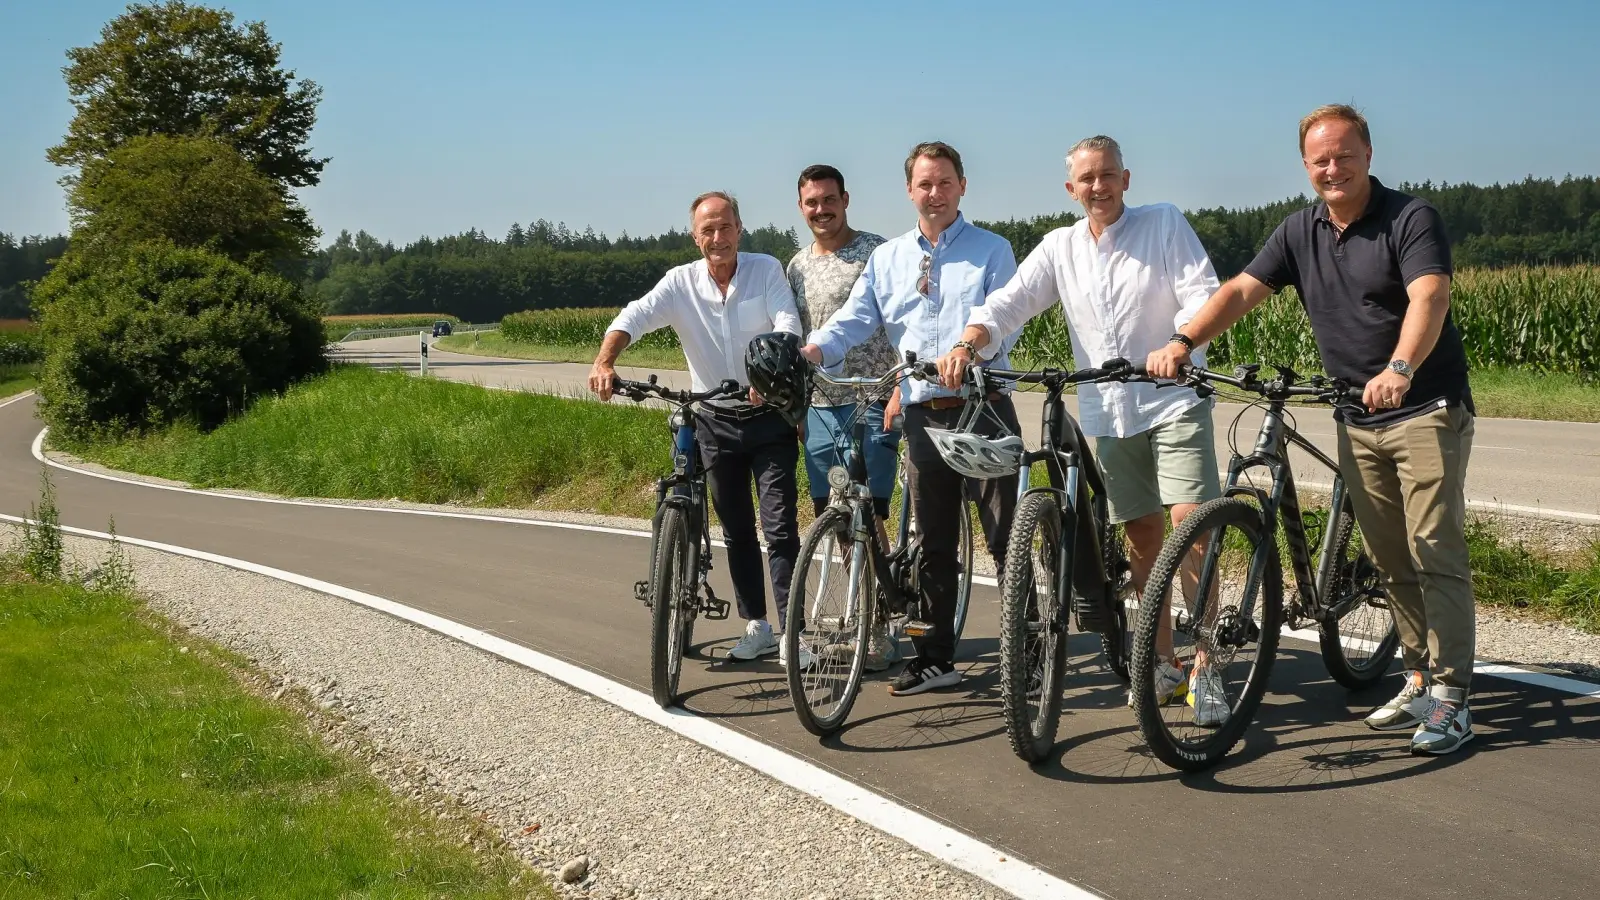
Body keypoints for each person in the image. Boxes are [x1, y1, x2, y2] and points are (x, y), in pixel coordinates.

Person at [1147, 104, 1477, 755]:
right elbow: (1241, 291)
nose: (1332, 168)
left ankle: (1453, 697)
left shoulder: (1410, 218)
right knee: (1389, 557)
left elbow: (1430, 295)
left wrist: (1401, 367)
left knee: (1432, 546)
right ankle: (1417, 675)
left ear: (1368, 155)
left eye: (1343, 155)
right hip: (1356, 414)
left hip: (1424, 406)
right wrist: (1185, 340)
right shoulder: (1300, 230)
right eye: (1319, 159)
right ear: (1305, 166)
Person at [942, 135, 1229, 723]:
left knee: (1190, 526)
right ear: (1071, 189)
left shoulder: (1163, 224)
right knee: (1143, 535)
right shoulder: (1061, 246)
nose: (1098, 187)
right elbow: (1011, 302)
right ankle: (1163, 662)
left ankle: (1207, 665)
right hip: (1111, 409)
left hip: (1173, 398)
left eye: (1107, 175)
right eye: (1087, 179)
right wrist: (971, 340)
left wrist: (1180, 343)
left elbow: (1201, 294)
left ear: (1126, 178)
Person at [802, 141, 1023, 696]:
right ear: (909, 191)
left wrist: (971, 349)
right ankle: (934, 658)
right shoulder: (888, 259)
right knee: (933, 544)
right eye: (925, 184)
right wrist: (813, 351)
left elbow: (1008, 319)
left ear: (962, 186)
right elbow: (854, 320)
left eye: (945, 182)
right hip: (924, 416)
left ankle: (1028, 648)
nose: (935, 193)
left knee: (1006, 539)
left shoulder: (992, 250)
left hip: (984, 409)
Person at [589, 191, 806, 665]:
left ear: (739, 229)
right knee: (737, 530)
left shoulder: (766, 270)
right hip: (713, 420)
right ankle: (758, 626)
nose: (718, 237)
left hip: (767, 417)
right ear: (695, 237)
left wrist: (767, 373)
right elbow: (634, 316)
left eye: (725, 227)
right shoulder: (679, 283)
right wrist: (605, 361)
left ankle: (794, 633)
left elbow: (788, 324)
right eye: (708, 229)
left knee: (779, 527)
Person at [786, 163, 902, 672]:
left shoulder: (877, 252)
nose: (821, 210)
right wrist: (796, 406)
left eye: (829, 200)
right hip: (819, 405)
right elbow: (797, 333)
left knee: (869, 514)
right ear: (801, 207)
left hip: (872, 396)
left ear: (845, 200)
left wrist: (899, 388)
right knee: (833, 515)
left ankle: (878, 625)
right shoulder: (796, 266)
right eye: (811, 202)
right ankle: (857, 613)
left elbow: (897, 320)